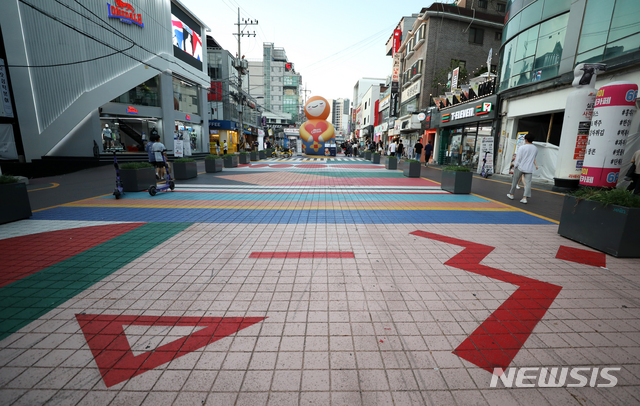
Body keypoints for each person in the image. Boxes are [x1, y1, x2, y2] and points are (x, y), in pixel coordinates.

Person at [507, 133, 538, 204]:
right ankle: (524, 198)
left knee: (515, 181)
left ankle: (511, 194)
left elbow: (518, 158)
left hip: (520, 167)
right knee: (528, 183)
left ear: (526, 140)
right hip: (529, 168)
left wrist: (515, 166)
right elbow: (534, 158)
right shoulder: (535, 148)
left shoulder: (522, 147)